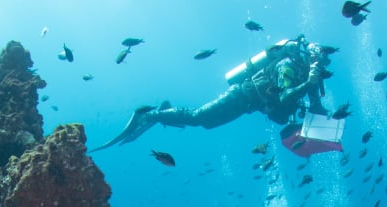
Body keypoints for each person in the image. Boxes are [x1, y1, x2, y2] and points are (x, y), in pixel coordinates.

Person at [92, 36, 334, 152]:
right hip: (243, 94)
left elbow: (315, 112)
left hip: (251, 104)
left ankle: (163, 113)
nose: (320, 67)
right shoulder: (288, 65)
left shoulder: (310, 80)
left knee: (206, 124)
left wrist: (325, 122)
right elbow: (283, 97)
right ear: (309, 59)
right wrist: (308, 83)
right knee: (199, 117)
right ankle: (150, 115)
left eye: (322, 64)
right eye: (318, 61)